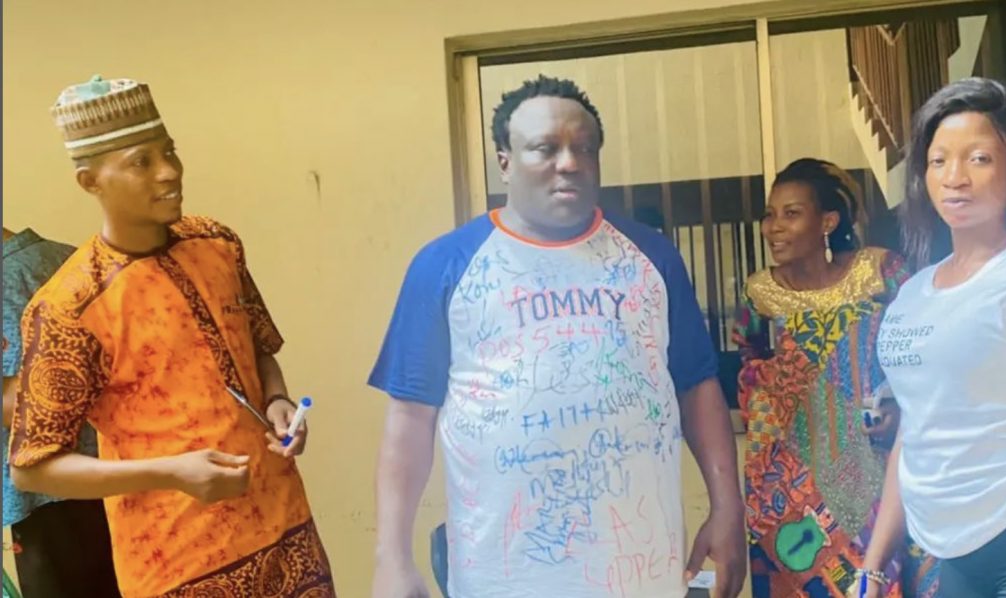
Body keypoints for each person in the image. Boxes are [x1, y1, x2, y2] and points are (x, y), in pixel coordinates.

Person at [369, 75, 746, 598]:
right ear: (505, 162)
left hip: (641, 574)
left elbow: (698, 388)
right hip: (501, 579)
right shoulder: (444, 266)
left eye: (584, 148)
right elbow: (410, 420)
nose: (568, 162)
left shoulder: (652, 258)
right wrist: (392, 556)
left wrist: (728, 509)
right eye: (545, 148)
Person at [7, 75, 334, 597]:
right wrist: (172, 472)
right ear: (90, 181)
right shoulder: (70, 307)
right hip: (178, 559)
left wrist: (277, 401)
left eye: (170, 151)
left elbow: (255, 349)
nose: (170, 171)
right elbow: (35, 469)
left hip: (285, 529)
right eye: (141, 161)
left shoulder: (216, 243)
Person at [863, 77, 1006, 597]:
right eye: (938, 161)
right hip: (955, 557)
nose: (955, 177)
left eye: (979, 159)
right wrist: (875, 562)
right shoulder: (913, 294)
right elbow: (916, 431)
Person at [734, 158, 938, 597]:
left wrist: (899, 406)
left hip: (877, 459)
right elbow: (749, 363)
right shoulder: (759, 295)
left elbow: (923, 350)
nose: (774, 227)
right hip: (789, 480)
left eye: (791, 213)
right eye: (770, 215)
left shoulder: (881, 274)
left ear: (827, 222)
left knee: (884, 574)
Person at [3, 226, 121, 597]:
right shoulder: (70, 256)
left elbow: (23, 406)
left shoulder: (8, 281)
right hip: (120, 474)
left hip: (51, 499)